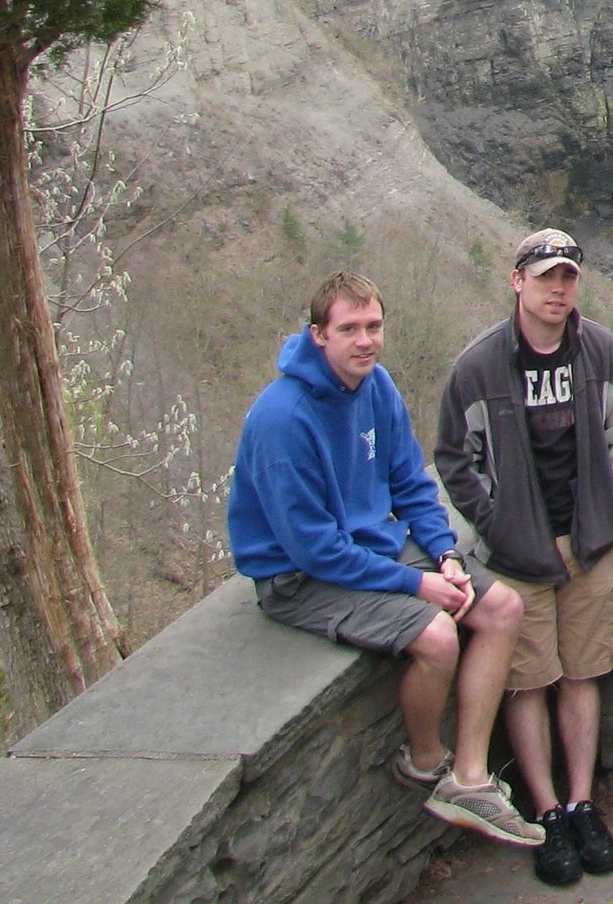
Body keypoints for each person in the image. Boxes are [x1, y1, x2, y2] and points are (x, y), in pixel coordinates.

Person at [228, 271, 542, 850]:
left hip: (374, 543)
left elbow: (411, 483)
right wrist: (415, 586)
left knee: (500, 606)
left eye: (374, 326)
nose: (365, 341)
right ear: (319, 334)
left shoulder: (377, 387)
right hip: (298, 576)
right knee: (438, 636)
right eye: (349, 329)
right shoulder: (283, 419)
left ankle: (469, 779)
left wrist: (446, 553)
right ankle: (426, 763)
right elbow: (313, 548)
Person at [433, 230, 613, 884]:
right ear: (517, 279)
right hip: (518, 554)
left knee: (582, 672)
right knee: (528, 679)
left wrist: (605, 508)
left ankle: (582, 802)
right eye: (546, 275)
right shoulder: (480, 366)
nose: (559, 288)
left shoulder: (600, 351)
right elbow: (456, 460)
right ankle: (545, 810)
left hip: (589, 542)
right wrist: (503, 526)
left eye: (569, 276)